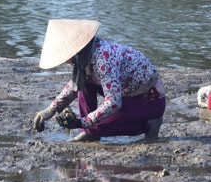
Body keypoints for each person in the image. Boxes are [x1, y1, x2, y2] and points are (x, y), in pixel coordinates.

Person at [33, 19, 166, 142]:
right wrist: (51, 109)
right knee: (83, 85)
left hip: (149, 100)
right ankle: (89, 132)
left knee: (98, 126)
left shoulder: (103, 58)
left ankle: (149, 124)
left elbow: (113, 102)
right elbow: (74, 87)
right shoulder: (84, 57)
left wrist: (82, 122)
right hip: (127, 92)